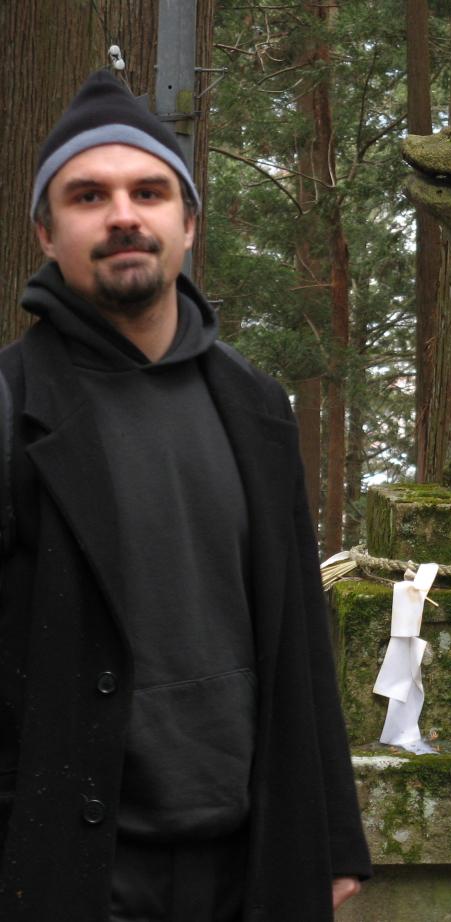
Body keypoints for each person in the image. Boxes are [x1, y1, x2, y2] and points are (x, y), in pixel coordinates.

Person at [0, 70, 371, 921]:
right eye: (88, 196)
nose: (122, 215)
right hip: (68, 870)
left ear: (188, 223)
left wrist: (331, 838)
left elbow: (297, 634)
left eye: (149, 192)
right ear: (47, 234)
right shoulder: (13, 408)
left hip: (247, 864)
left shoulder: (255, 406)